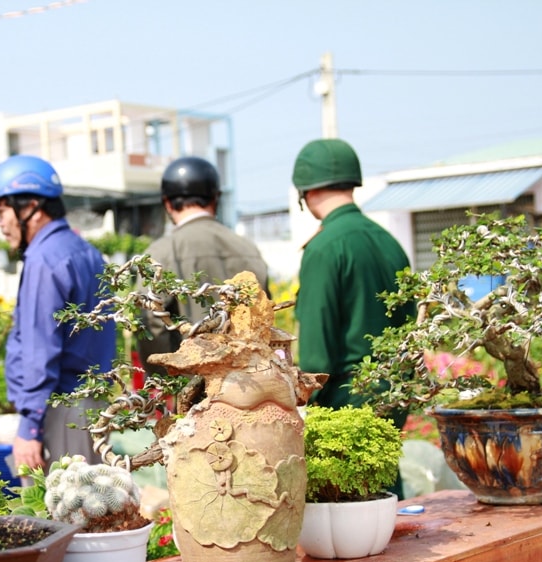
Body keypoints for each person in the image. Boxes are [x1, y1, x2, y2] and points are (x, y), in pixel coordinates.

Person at [0, 154, 116, 471]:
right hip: (91, 406)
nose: (0, 223)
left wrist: (29, 426)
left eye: (2, 210)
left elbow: (40, 350)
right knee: (93, 507)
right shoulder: (85, 250)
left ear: (31, 207)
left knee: (57, 512)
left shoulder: (44, 259)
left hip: (61, 411)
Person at [292, 138, 415, 433]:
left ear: (306, 191)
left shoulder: (323, 248)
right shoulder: (389, 242)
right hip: (394, 391)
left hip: (345, 397)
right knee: (385, 475)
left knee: (347, 480)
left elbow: (316, 354)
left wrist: (307, 399)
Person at [138, 156, 270, 375]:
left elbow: (151, 320)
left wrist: (165, 377)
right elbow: (266, 314)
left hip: (195, 386)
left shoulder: (161, 252)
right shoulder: (247, 248)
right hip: (252, 381)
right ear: (216, 198)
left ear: (167, 203)